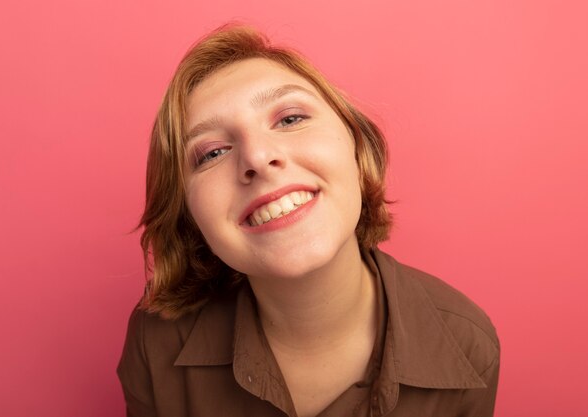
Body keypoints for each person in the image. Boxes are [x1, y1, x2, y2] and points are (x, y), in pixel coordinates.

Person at [117, 24, 500, 417]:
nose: (257, 157)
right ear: (189, 217)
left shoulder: (468, 345)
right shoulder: (156, 338)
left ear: (357, 145)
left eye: (290, 119)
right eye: (212, 153)